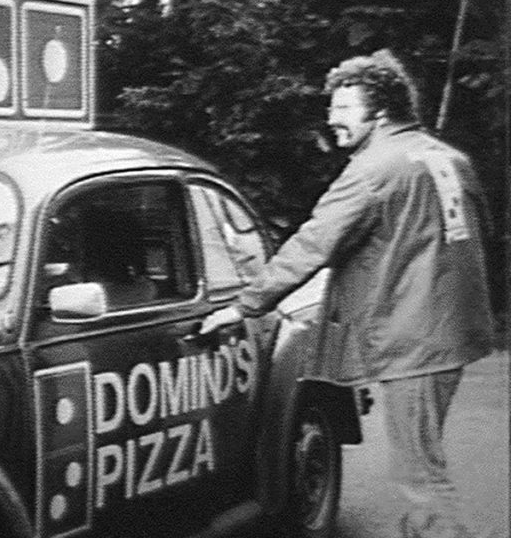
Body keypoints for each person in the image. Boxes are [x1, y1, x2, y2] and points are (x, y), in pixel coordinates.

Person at [200, 49, 495, 538]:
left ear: (380, 110)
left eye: (343, 108)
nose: (331, 119)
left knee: (421, 477)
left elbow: (313, 243)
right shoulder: (449, 158)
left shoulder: (373, 169)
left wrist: (245, 305)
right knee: (421, 460)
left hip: (415, 340)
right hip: (452, 334)